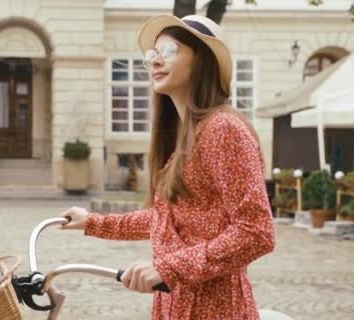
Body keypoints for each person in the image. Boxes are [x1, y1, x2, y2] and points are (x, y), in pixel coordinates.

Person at [60, 14, 275, 319]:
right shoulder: (184, 138)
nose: (156, 61)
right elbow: (168, 220)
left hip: (215, 309)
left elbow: (257, 232)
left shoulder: (224, 129)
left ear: (202, 61)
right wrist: (92, 222)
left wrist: (169, 268)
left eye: (170, 51)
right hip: (174, 304)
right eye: (153, 54)